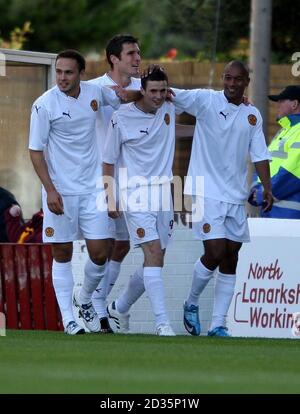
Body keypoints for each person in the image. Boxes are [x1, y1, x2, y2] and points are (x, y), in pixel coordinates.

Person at [172, 60, 273, 337]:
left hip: (235, 196)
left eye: (237, 80)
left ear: (246, 83)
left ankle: (218, 324)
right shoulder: (205, 100)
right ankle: (191, 303)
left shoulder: (252, 115)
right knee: (215, 251)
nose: (231, 84)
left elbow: (260, 154)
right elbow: (167, 92)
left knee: (230, 258)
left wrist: (268, 188)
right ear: (223, 79)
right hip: (206, 192)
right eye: (227, 78)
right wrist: (134, 82)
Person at [28, 49, 120, 335]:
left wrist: (158, 94)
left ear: (81, 73)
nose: (62, 77)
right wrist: (51, 190)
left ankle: (83, 300)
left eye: (68, 72)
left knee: (100, 252)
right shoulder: (44, 104)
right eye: (59, 72)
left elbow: (126, 95)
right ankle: (68, 319)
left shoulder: (95, 93)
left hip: (93, 187)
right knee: (63, 252)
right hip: (60, 192)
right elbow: (35, 151)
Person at [103, 67, 177, 336]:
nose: (158, 96)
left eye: (162, 91)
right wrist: (110, 197)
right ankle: (163, 323)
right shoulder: (120, 117)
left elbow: (202, 100)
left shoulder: (169, 107)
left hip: (165, 193)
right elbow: (108, 160)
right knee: (154, 254)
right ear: (143, 90)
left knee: (157, 259)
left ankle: (119, 307)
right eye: (152, 91)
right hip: (135, 194)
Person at [88, 34, 141, 333]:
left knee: (122, 244)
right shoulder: (93, 88)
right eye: (131, 53)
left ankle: (99, 302)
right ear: (114, 58)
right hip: (99, 177)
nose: (137, 58)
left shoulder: (144, 88)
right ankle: (92, 306)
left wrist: (231, 99)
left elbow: (175, 94)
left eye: (138, 53)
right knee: (103, 244)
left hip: (130, 178)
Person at [249, 85, 300, 218]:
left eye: (282, 101)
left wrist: (263, 192)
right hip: (272, 210)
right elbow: (264, 162)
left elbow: (293, 172)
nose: (278, 105)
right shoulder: (283, 131)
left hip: (289, 215)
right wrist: (255, 188)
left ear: (294, 104)